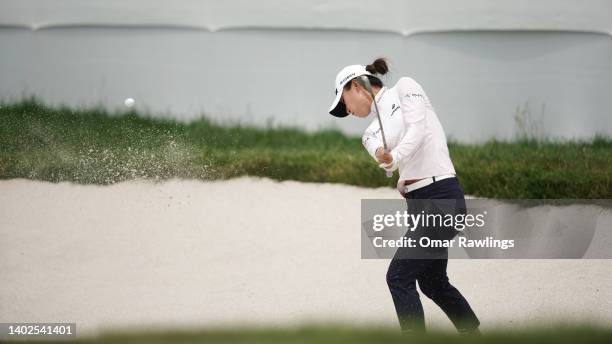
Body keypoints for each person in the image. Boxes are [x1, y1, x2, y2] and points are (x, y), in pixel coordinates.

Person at [328, 58, 481, 335]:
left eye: (344, 102)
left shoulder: (405, 87)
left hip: (441, 197)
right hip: (419, 206)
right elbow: (378, 151)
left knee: (398, 277)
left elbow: (418, 130)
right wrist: (384, 158)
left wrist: (394, 156)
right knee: (433, 283)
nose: (347, 111)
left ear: (356, 86)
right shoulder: (370, 132)